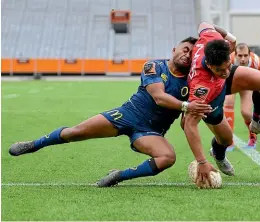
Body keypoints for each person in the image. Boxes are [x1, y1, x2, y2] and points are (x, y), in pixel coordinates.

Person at [8, 37, 213, 187]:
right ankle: (34, 144)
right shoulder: (154, 66)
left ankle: (119, 176)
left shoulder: (192, 82)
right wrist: (187, 106)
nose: (187, 54)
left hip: (150, 131)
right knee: (74, 133)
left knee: (167, 157)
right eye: (185, 49)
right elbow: (158, 96)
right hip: (126, 114)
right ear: (174, 48)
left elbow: (188, 120)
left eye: (192, 53)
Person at [183, 22, 260, 187]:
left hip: (223, 83)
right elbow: (189, 124)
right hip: (211, 98)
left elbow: (204, 24)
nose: (225, 71)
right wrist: (201, 161)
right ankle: (218, 154)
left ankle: (259, 123)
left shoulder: (212, 38)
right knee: (226, 139)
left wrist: (231, 38)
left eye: (228, 65)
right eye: (220, 69)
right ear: (209, 65)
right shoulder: (200, 87)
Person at [224, 43, 260, 148]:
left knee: (246, 113)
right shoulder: (229, 60)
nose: (243, 59)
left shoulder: (259, 64)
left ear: (250, 54)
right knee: (228, 103)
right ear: (235, 55)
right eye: (240, 55)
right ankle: (228, 141)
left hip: (247, 84)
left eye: (245, 55)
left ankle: (252, 136)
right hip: (232, 82)